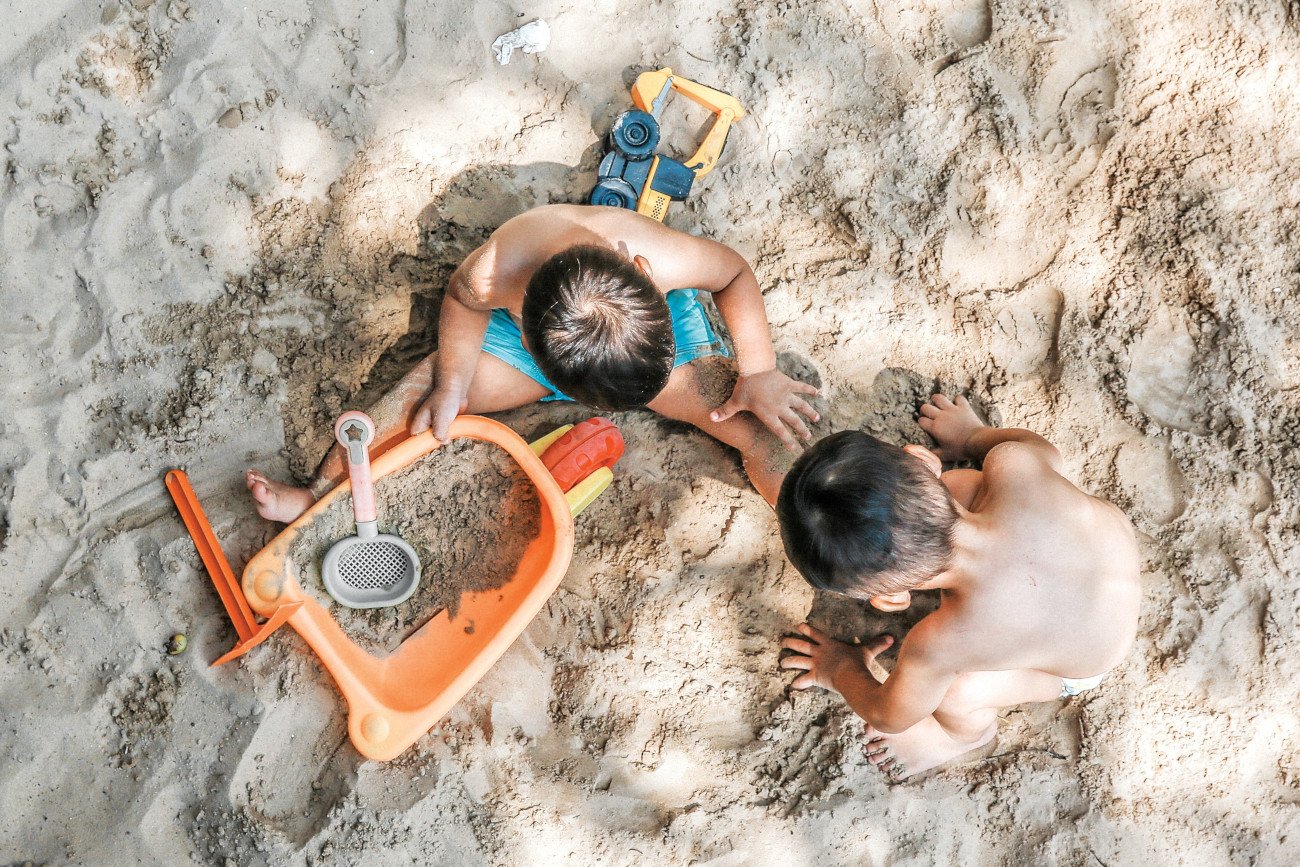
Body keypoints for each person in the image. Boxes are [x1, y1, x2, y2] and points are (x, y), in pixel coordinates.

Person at [245, 204, 819, 518]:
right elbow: (463, 303)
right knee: (421, 398)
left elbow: (735, 273)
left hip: (645, 342)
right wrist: (453, 382)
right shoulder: (496, 270)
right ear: (521, 323)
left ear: (643, 271)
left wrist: (760, 370)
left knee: (764, 429)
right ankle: (319, 492)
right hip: (554, 346)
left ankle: (798, 511)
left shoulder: (664, 260)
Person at [776, 393, 1140, 781]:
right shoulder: (1013, 462)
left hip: (1085, 664)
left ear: (887, 597)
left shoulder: (943, 641)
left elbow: (890, 715)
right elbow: (1042, 448)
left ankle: (961, 737)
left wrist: (840, 668)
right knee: (965, 485)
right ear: (921, 461)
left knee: (957, 694)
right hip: (1112, 564)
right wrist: (972, 437)